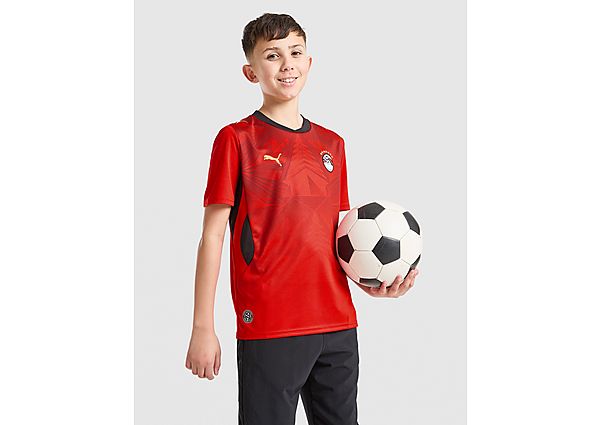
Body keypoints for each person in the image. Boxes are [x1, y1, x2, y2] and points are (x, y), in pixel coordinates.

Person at [185, 12, 419, 425]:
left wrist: (370, 283)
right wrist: (203, 327)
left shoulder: (333, 144)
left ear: (309, 63)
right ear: (250, 72)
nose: (287, 64)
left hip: (337, 324)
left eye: (295, 52)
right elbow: (212, 237)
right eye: (272, 55)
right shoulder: (236, 139)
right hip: (271, 325)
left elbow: (336, 239)